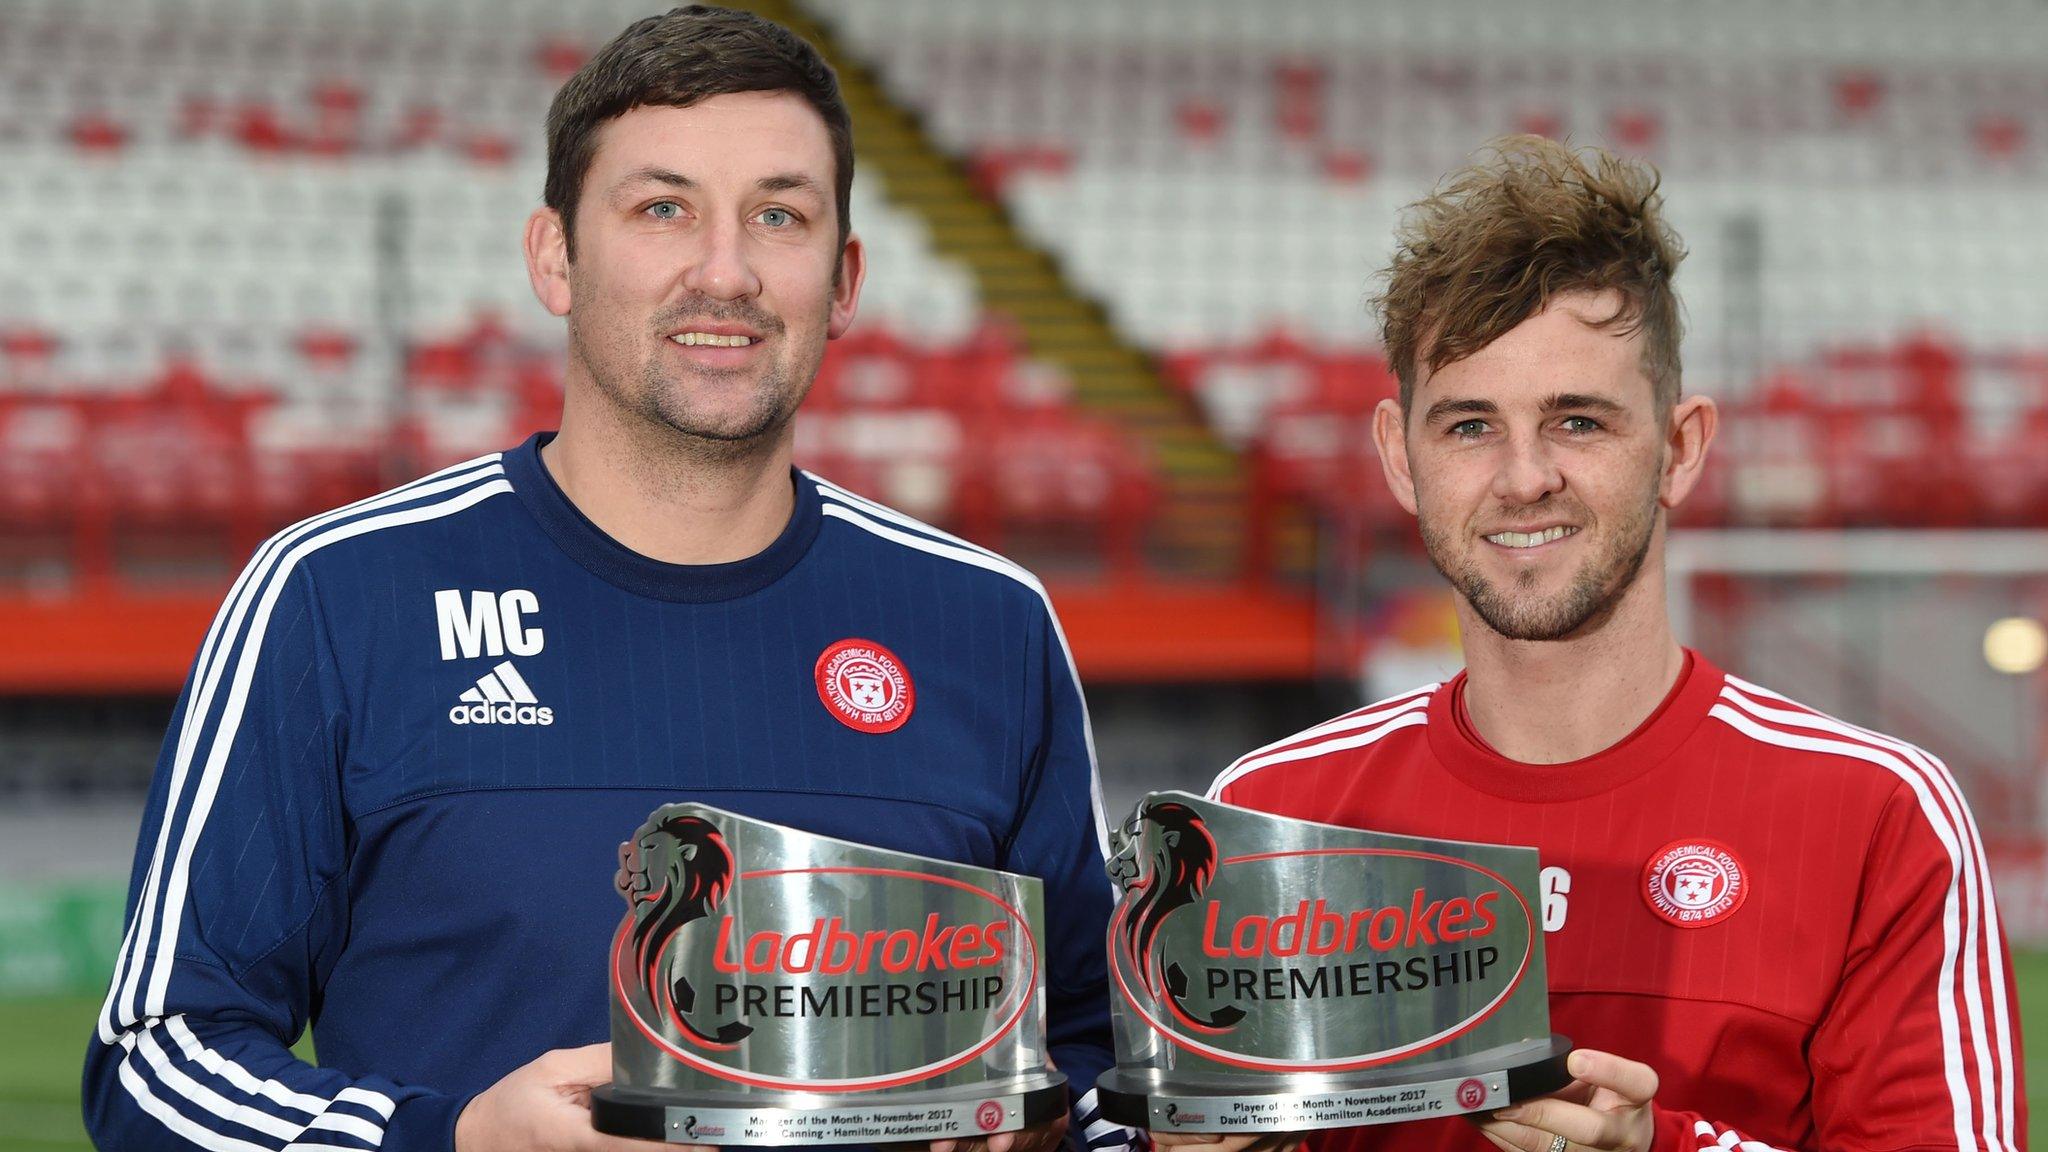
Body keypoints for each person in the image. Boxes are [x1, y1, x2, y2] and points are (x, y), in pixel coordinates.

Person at [82, 8, 1130, 1152]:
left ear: (842, 280)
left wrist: (1050, 1125)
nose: (723, 271)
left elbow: (1089, 1059)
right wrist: (456, 1141)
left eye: (779, 215)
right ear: (555, 259)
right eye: (661, 208)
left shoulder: (987, 620)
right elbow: (156, 1063)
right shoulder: (338, 595)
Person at [1195, 136, 2024, 1151]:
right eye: (1466, 427)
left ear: (1678, 450)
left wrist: (1660, 1148)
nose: (1523, 476)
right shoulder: (1265, 818)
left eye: (1577, 421)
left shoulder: (1877, 815)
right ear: (1397, 458)